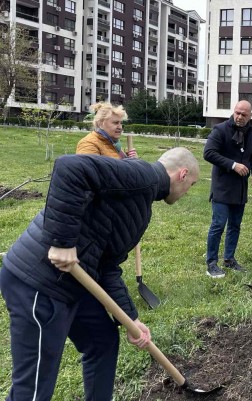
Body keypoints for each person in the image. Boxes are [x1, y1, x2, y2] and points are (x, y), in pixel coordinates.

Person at [0, 147, 199, 401]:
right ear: (182, 174)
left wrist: (130, 318)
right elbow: (70, 168)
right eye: (191, 185)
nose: (187, 193)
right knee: (34, 388)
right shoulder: (142, 176)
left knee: (102, 341)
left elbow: (108, 267)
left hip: (72, 283)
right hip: (39, 282)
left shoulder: (142, 201)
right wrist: (62, 241)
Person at [203, 100, 252, 278]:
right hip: (222, 186)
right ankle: (211, 263)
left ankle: (229, 259)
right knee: (218, 224)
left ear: (250, 116)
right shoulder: (219, 130)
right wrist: (233, 165)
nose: (239, 117)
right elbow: (209, 153)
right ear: (233, 111)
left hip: (240, 189)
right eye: (237, 112)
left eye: (244, 114)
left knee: (235, 226)